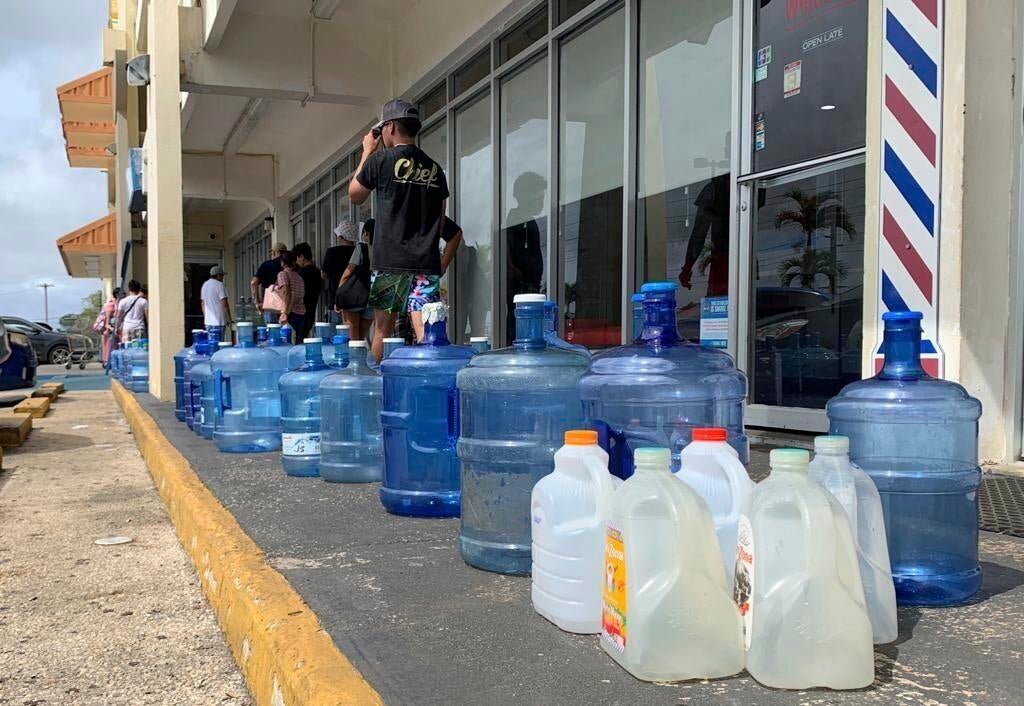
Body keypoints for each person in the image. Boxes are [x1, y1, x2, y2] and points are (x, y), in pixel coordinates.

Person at [348, 99, 452, 362]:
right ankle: (426, 389)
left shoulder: (381, 160)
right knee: (425, 334)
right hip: (425, 263)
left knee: (383, 330)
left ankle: (378, 388)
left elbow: (354, 195)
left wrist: (366, 152)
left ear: (390, 127)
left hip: (390, 263)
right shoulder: (436, 170)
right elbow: (440, 222)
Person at [411, 217, 462, 342]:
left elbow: (455, 233)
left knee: (425, 335)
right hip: (420, 274)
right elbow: (455, 234)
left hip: (420, 275)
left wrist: (442, 266)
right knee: (423, 334)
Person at [334, 219, 375, 342]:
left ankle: (353, 361)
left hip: (354, 298)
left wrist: (338, 297)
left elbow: (348, 273)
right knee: (361, 338)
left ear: (366, 234)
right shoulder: (383, 251)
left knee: (352, 339)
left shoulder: (362, 248)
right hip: (373, 298)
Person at [321, 221, 359, 323]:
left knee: (337, 333)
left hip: (336, 297)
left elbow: (324, 274)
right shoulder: (359, 251)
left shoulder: (332, 252)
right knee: (355, 333)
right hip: (357, 298)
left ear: (341, 236)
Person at [268, 251, 306, 334]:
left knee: (286, 343)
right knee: (298, 344)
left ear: (282, 263)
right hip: (301, 314)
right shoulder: (299, 277)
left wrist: (284, 313)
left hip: (289, 313)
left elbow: (286, 292)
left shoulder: (282, 274)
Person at [251, 241, 288, 323]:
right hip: (287, 306)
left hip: (271, 306)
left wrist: (257, 302)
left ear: (275, 252)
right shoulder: (289, 266)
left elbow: (253, 283)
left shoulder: (267, 265)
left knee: (272, 332)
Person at [293, 242, 322, 338]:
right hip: (311, 311)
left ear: (301, 256)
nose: (296, 261)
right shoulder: (318, 272)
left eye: (296, 258)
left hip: (300, 312)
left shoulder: (301, 273)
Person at [200, 265, 232, 340]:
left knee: (211, 346)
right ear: (218, 275)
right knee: (219, 345)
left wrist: (206, 317)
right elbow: (224, 304)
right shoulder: (220, 285)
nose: (223, 278)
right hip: (219, 321)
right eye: (222, 276)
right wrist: (229, 319)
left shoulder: (205, 285)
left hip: (208, 323)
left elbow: (203, 303)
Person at [99, 288, 121, 364]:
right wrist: (112, 329)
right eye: (123, 293)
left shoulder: (118, 304)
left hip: (115, 332)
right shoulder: (111, 305)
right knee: (111, 350)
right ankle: (108, 363)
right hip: (110, 333)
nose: (125, 295)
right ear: (117, 295)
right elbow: (107, 324)